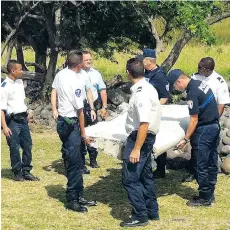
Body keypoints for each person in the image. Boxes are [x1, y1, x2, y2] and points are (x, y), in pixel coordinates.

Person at [51, 51, 96, 212]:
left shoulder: (61, 74)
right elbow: (79, 110)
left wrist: (54, 109)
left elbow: (54, 90)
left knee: (75, 160)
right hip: (71, 124)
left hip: (63, 121)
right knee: (75, 162)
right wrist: (84, 133)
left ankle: (79, 194)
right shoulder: (74, 81)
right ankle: (72, 198)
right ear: (78, 65)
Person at [167, 69, 220, 207]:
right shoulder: (199, 83)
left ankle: (204, 197)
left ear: (179, 81)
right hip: (214, 126)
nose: (176, 89)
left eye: (174, 86)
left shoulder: (192, 93)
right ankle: (210, 193)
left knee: (200, 164)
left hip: (203, 130)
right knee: (211, 162)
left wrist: (185, 138)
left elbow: (194, 120)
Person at [121, 58, 161, 227]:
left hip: (140, 138)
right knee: (145, 176)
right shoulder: (148, 87)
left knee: (130, 178)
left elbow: (144, 123)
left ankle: (140, 214)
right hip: (145, 137)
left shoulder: (141, 94)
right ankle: (152, 210)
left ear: (128, 73)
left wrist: (136, 148)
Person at [183, 57, 230, 182]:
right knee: (196, 146)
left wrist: (213, 119)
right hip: (197, 117)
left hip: (211, 119)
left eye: (200, 67)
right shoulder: (195, 77)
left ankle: (212, 173)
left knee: (211, 148)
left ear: (207, 69)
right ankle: (194, 171)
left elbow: (221, 104)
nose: (197, 69)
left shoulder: (219, 81)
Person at [1, 60, 40, 181]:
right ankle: (17, 172)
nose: (22, 71)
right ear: (13, 71)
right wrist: (4, 127)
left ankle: (26, 170)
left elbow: (21, 101)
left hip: (23, 119)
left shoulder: (19, 82)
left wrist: (26, 112)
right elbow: (1, 109)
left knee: (27, 145)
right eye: (20, 69)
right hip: (12, 121)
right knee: (14, 147)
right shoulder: (4, 87)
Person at [137, 48, 170, 178]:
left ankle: (160, 168)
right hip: (144, 111)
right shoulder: (146, 73)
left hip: (154, 113)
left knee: (156, 140)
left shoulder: (159, 75)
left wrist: (154, 108)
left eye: (142, 59)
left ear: (149, 61)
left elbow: (165, 96)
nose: (140, 62)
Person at [80, 51, 108, 169]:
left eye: (90, 59)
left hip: (93, 107)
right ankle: (80, 159)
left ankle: (93, 159)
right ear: (80, 61)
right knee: (81, 133)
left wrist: (104, 106)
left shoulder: (96, 73)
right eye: (86, 60)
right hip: (81, 106)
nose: (89, 62)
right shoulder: (77, 73)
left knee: (93, 132)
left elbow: (102, 90)